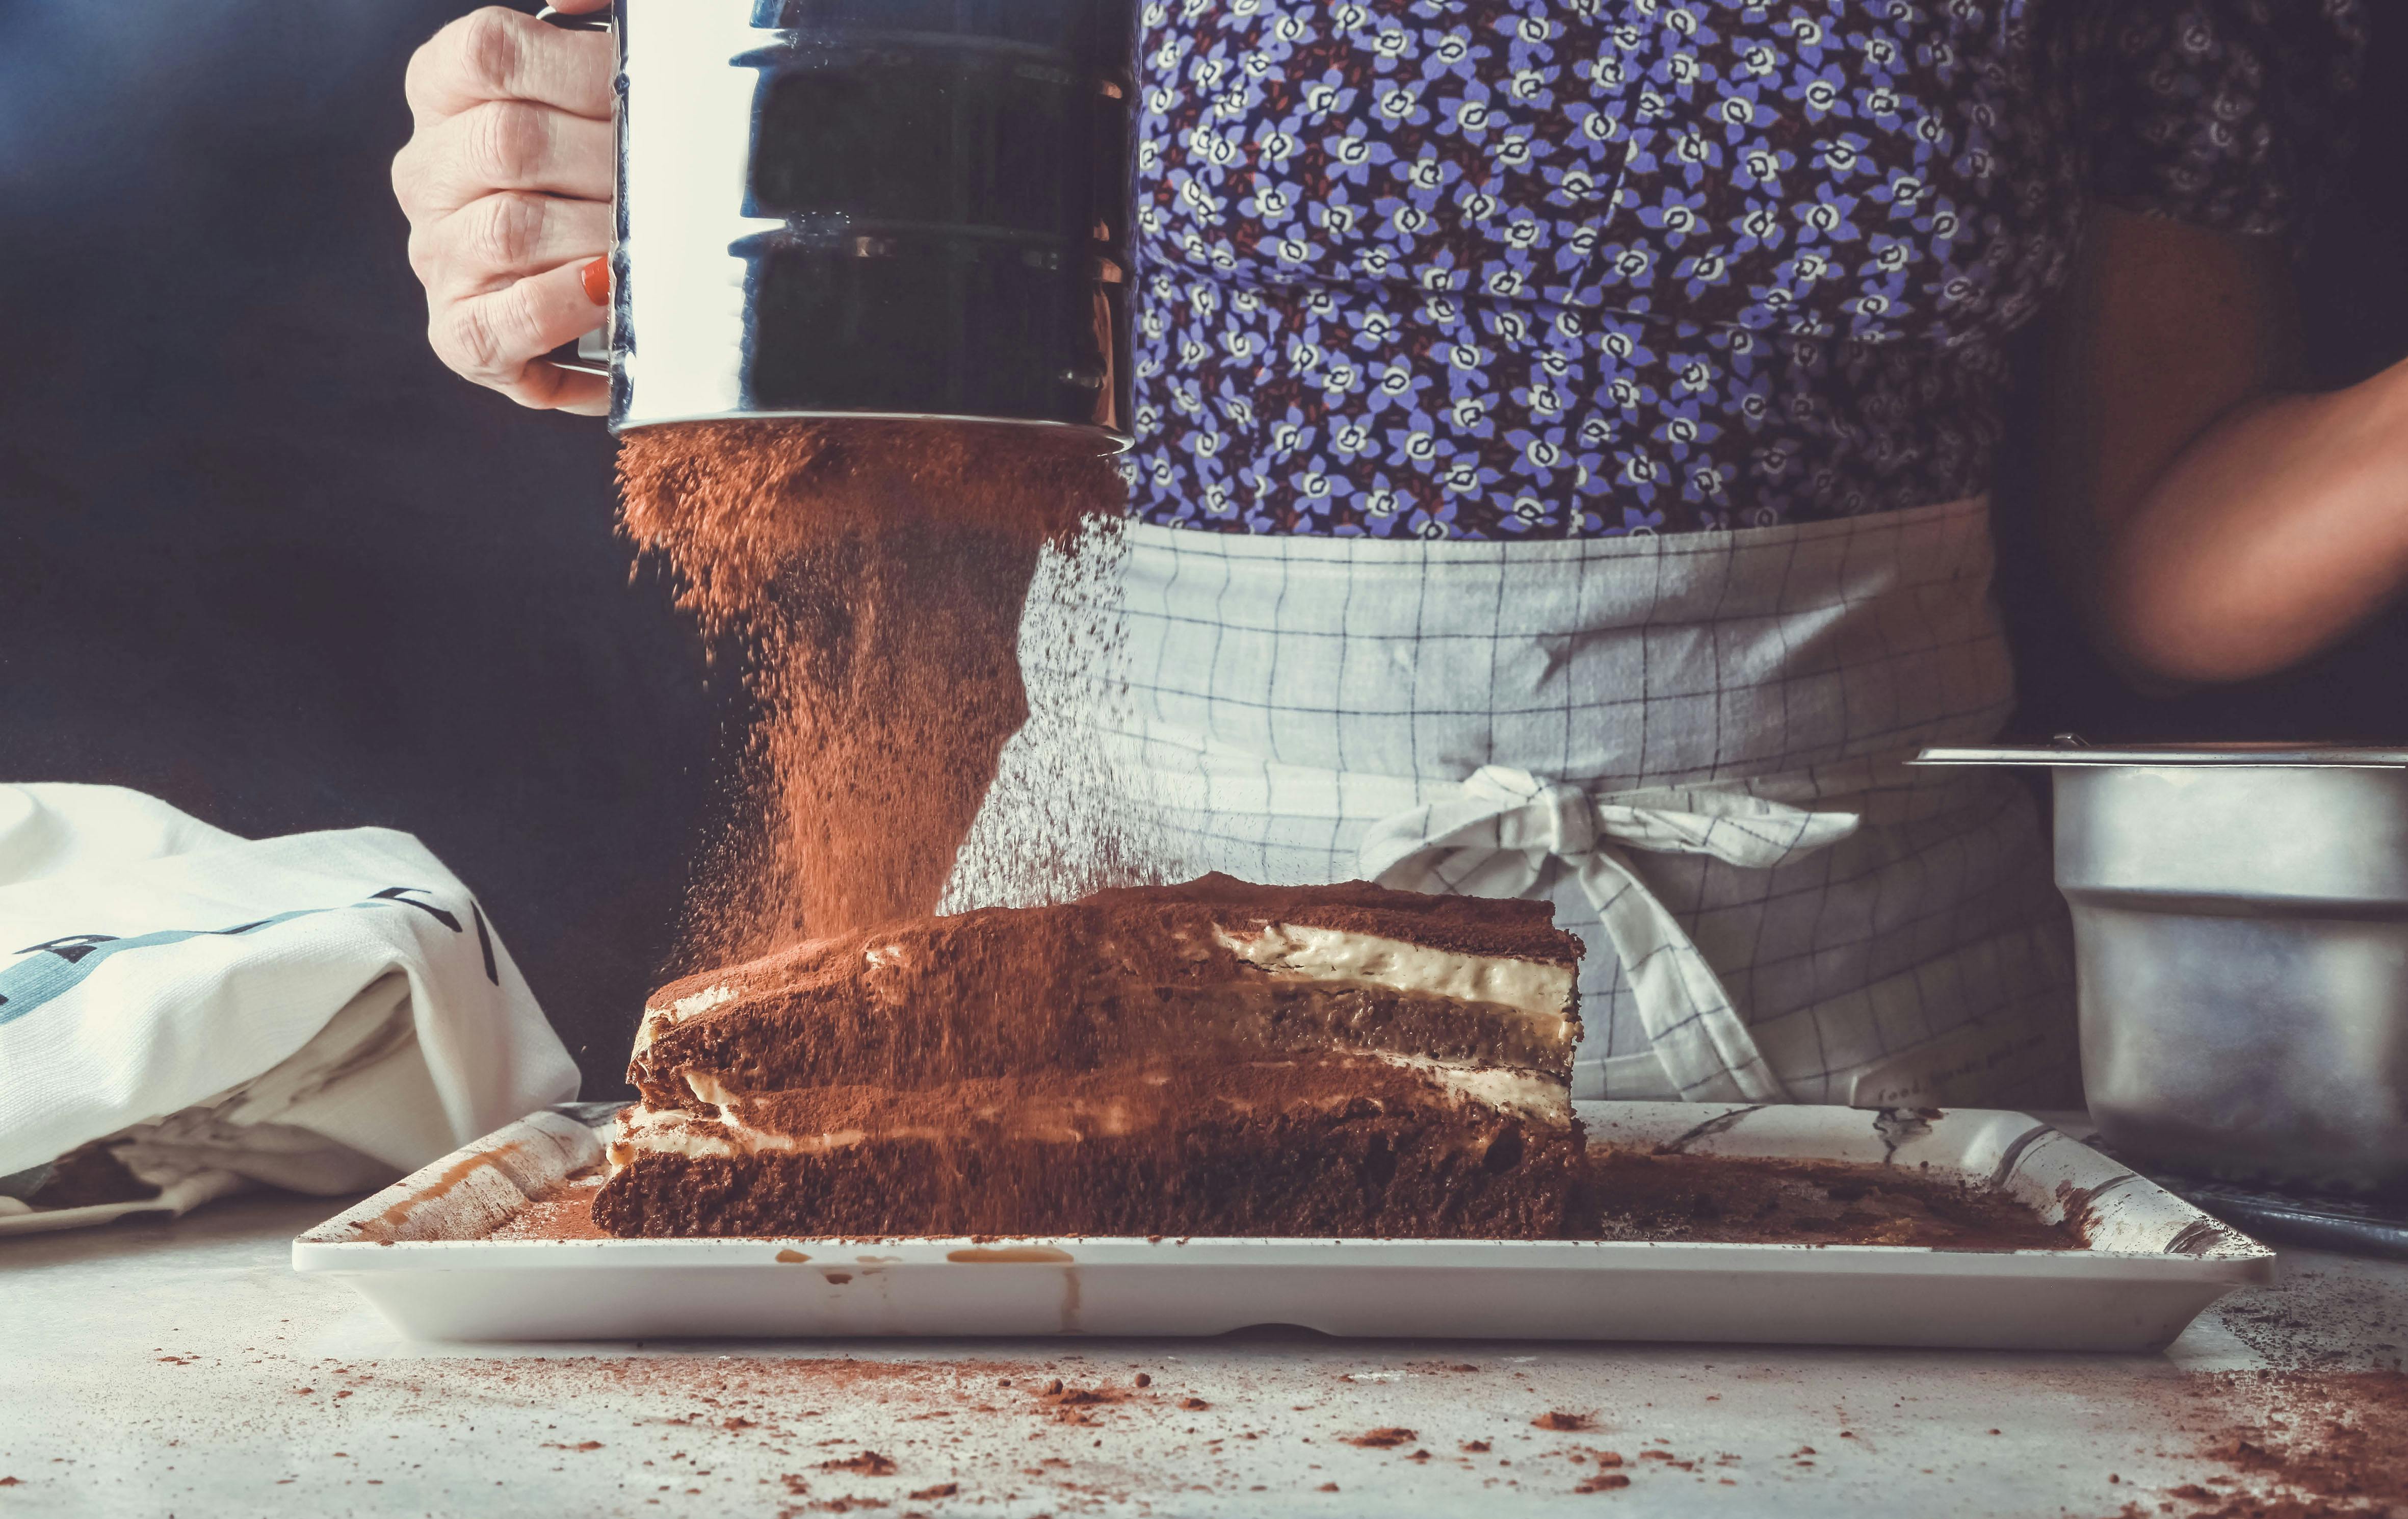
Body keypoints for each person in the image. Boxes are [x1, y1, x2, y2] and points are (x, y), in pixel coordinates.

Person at [392, 1, 2385, 1108]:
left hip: (1862, 1002)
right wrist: (560, 186)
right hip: (1146, 958)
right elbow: (753, 171)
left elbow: (2151, 542)